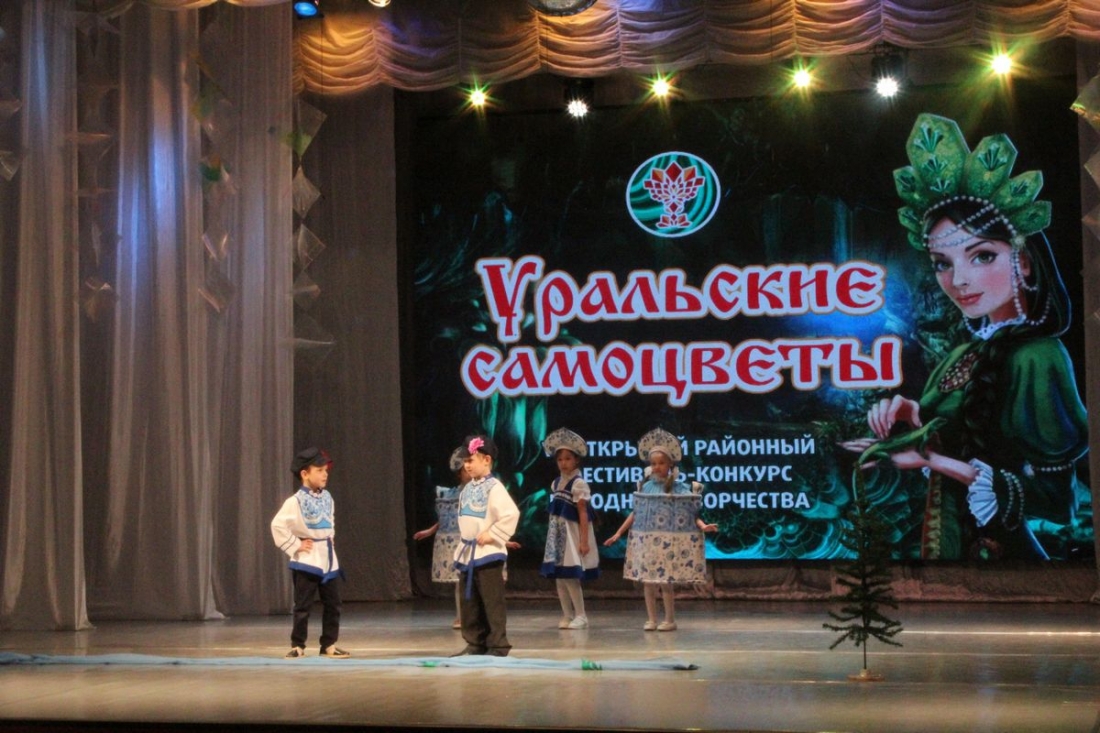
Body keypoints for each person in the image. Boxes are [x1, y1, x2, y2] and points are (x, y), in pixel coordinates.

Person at [842, 113, 1088, 560]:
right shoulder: (964, 353)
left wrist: (929, 460)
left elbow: (1057, 503)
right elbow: (957, 432)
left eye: (982, 256)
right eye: (943, 263)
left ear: (1024, 261)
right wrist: (908, 416)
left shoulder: (1038, 357)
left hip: (1008, 569)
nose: (958, 281)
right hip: (949, 551)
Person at [604, 428, 717, 631]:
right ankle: (651, 619)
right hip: (648, 542)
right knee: (648, 582)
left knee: (666, 582)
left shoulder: (679, 488)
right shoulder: (646, 487)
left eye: (661, 463)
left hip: (668, 543)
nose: (657, 467)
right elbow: (636, 513)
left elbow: (690, 513)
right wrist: (618, 533)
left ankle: (669, 619)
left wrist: (703, 526)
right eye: (653, 463)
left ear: (670, 464)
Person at [270, 447, 350, 659]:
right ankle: (298, 645)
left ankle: (329, 644)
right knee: (303, 605)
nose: (325, 474)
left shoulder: (328, 497)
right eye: (319, 470)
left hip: (328, 558)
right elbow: (277, 525)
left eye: (326, 470)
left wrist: (330, 537)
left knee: (333, 603)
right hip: (308, 559)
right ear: (305, 473)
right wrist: (296, 544)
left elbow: (330, 521)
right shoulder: (295, 501)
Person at [452, 434, 520, 656]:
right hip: (469, 553)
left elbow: (511, 514)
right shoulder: (467, 488)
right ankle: (475, 642)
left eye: (471, 460)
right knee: (469, 601)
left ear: (487, 460)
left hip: (487, 553)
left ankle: (497, 644)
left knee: (492, 601)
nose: (467, 465)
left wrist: (492, 534)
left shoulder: (494, 487)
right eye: (465, 461)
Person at [539, 427, 599, 630]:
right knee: (559, 577)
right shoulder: (556, 483)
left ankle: (581, 615)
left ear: (576, 460)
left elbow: (583, 513)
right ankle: (567, 614)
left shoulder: (578, 484)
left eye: (567, 459)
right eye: (560, 459)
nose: (563, 463)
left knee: (570, 577)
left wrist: (584, 541)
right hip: (558, 536)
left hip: (572, 536)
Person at [413, 447, 468, 629]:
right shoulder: (453, 494)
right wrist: (431, 530)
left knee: (473, 580)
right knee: (460, 581)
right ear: (459, 474)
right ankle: (461, 616)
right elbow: (447, 517)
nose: (468, 473)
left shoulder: (481, 493)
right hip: (458, 540)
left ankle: (475, 616)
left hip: (474, 540)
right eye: (464, 470)